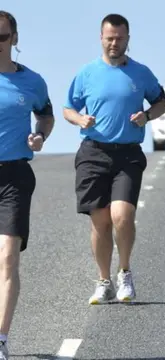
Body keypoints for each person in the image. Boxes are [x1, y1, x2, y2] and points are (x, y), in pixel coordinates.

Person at [62, 14, 165, 305]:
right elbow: (67, 108)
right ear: (101, 38)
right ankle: (103, 280)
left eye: (119, 38)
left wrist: (146, 115)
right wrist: (79, 119)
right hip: (93, 152)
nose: (114, 43)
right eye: (109, 38)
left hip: (128, 154)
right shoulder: (87, 73)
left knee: (121, 215)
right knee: (99, 221)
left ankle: (125, 272)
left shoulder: (140, 73)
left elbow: (162, 102)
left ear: (127, 39)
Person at [0, 10, 54, 359]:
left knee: (7, 258)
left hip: (14, 176)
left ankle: (0, 340)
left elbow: (45, 114)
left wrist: (40, 135)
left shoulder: (31, 82)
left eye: (2, 37)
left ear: (14, 39)